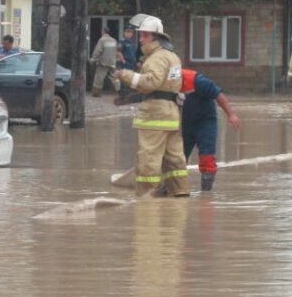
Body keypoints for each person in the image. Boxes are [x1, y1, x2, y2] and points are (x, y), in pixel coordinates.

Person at [114, 15, 190, 197]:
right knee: (174, 159)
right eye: (140, 35)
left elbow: (150, 83)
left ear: (156, 37)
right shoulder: (173, 57)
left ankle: (146, 200)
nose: (140, 39)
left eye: (145, 36)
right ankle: (179, 192)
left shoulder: (157, 58)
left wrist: (125, 75)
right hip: (171, 114)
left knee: (148, 158)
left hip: (155, 116)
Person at [180, 68, 240, 191]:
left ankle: (206, 195)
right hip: (185, 122)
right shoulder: (164, 83)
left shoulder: (196, 80)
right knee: (178, 157)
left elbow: (217, 94)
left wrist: (231, 114)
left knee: (207, 156)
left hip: (205, 121)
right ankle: (175, 188)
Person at [90, 26, 121, 97]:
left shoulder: (102, 40)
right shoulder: (114, 40)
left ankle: (96, 93)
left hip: (103, 63)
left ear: (103, 31)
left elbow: (98, 51)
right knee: (115, 78)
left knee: (99, 78)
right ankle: (120, 91)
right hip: (112, 62)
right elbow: (117, 51)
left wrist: (93, 59)